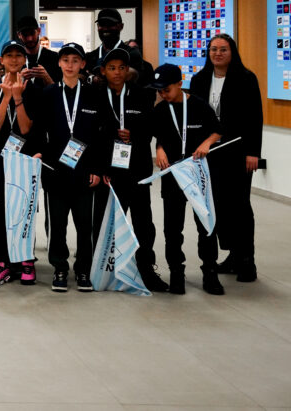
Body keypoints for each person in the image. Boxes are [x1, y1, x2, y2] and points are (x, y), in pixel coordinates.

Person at [189, 33, 261, 283]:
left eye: (223, 49)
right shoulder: (199, 80)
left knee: (239, 207)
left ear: (232, 53)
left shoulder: (246, 79)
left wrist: (254, 152)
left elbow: (255, 118)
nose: (217, 54)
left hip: (238, 153)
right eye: (213, 49)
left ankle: (246, 261)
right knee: (217, 207)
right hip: (209, 154)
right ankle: (232, 254)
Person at [96, 48, 169, 292]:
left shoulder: (142, 96)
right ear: (104, 71)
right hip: (109, 171)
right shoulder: (96, 94)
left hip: (137, 171)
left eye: (122, 68)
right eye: (112, 68)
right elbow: (91, 133)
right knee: (108, 223)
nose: (117, 72)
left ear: (128, 71)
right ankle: (105, 268)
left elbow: (153, 127)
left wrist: (135, 134)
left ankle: (146, 269)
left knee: (143, 224)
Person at [150, 63, 223, 295]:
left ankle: (210, 272)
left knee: (205, 223)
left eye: (167, 89)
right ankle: (176, 272)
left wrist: (207, 142)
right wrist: (159, 149)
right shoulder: (161, 110)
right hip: (173, 175)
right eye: (159, 90)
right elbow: (159, 135)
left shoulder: (199, 105)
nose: (162, 94)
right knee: (172, 227)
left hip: (197, 173)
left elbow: (217, 130)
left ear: (180, 84)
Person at [39, 42, 106, 293]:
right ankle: (59, 267)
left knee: (84, 224)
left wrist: (97, 170)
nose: (70, 65)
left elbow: (100, 138)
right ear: (59, 64)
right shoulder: (49, 94)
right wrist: (43, 160)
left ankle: (83, 269)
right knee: (57, 224)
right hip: (56, 171)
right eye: (65, 60)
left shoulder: (93, 95)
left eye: (75, 60)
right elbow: (39, 131)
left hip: (84, 173)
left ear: (82, 64)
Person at [0, 40, 40, 286]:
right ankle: (2, 260)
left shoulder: (32, 90)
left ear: (24, 59)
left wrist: (18, 98)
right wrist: (5, 98)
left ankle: (25, 260)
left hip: (24, 161)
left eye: (18, 56)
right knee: (0, 211)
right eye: (8, 56)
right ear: (1, 60)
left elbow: (25, 128)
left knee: (25, 209)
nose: (13, 60)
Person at [16, 15, 61, 86]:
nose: (30, 38)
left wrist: (46, 77)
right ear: (19, 35)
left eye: (32, 33)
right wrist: (20, 79)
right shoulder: (16, 60)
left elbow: (60, 93)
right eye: (25, 35)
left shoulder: (54, 58)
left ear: (39, 31)